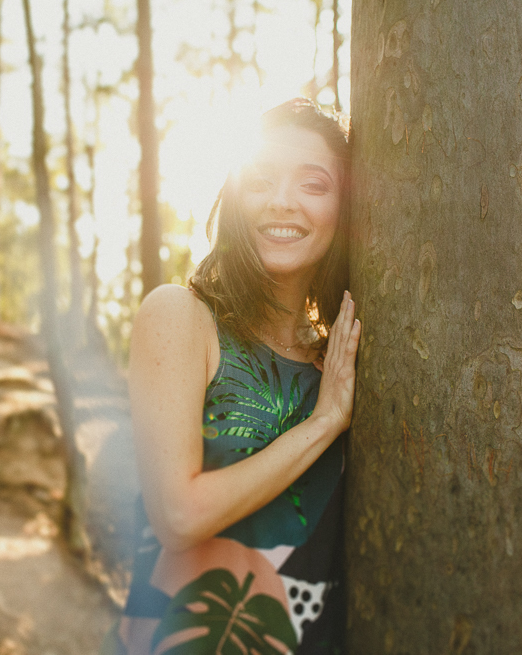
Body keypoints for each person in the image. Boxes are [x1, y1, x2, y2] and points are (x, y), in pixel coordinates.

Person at [113, 98, 359, 655]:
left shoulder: (339, 357)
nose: (282, 201)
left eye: (313, 184)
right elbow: (177, 514)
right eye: (261, 180)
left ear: (344, 210)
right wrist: (323, 424)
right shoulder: (181, 317)